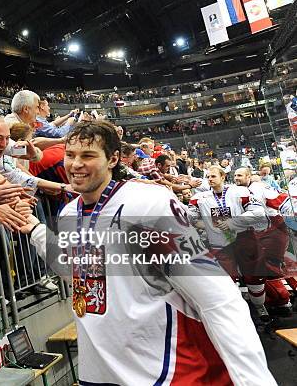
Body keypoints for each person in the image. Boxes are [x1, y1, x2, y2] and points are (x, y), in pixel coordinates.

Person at [24, 121, 276, 385]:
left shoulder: (146, 204)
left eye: (88, 155)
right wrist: (34, 230)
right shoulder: (69, 213)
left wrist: (254, 380)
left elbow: (216, 296)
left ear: (113, 159)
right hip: (101, 370)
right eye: (70, 155)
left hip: (162, 370)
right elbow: (79, 275)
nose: (76, 164)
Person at [188, 165, 271, 320]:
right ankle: (236, 311)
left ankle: (260, 305)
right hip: (219, 243)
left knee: (254, 275)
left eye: (213, 176)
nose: (210, 179)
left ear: (223, 177)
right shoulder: (200, 198)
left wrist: (233, 222)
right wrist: (205, 226)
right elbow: (190, 218)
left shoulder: (240, 191)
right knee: (227, 280)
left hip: (244, 239)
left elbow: (258, 212)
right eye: (208, 177)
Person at [234, 167, 293, 316]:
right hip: (258, 233)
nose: (236, 178)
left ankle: (281, 300)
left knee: (263, 270)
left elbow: (282, 201)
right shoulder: (237, 191)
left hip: (273, 230)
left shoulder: (258, 187)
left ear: (249, 176)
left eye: (240, 175)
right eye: (234, 175)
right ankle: (278, 301)